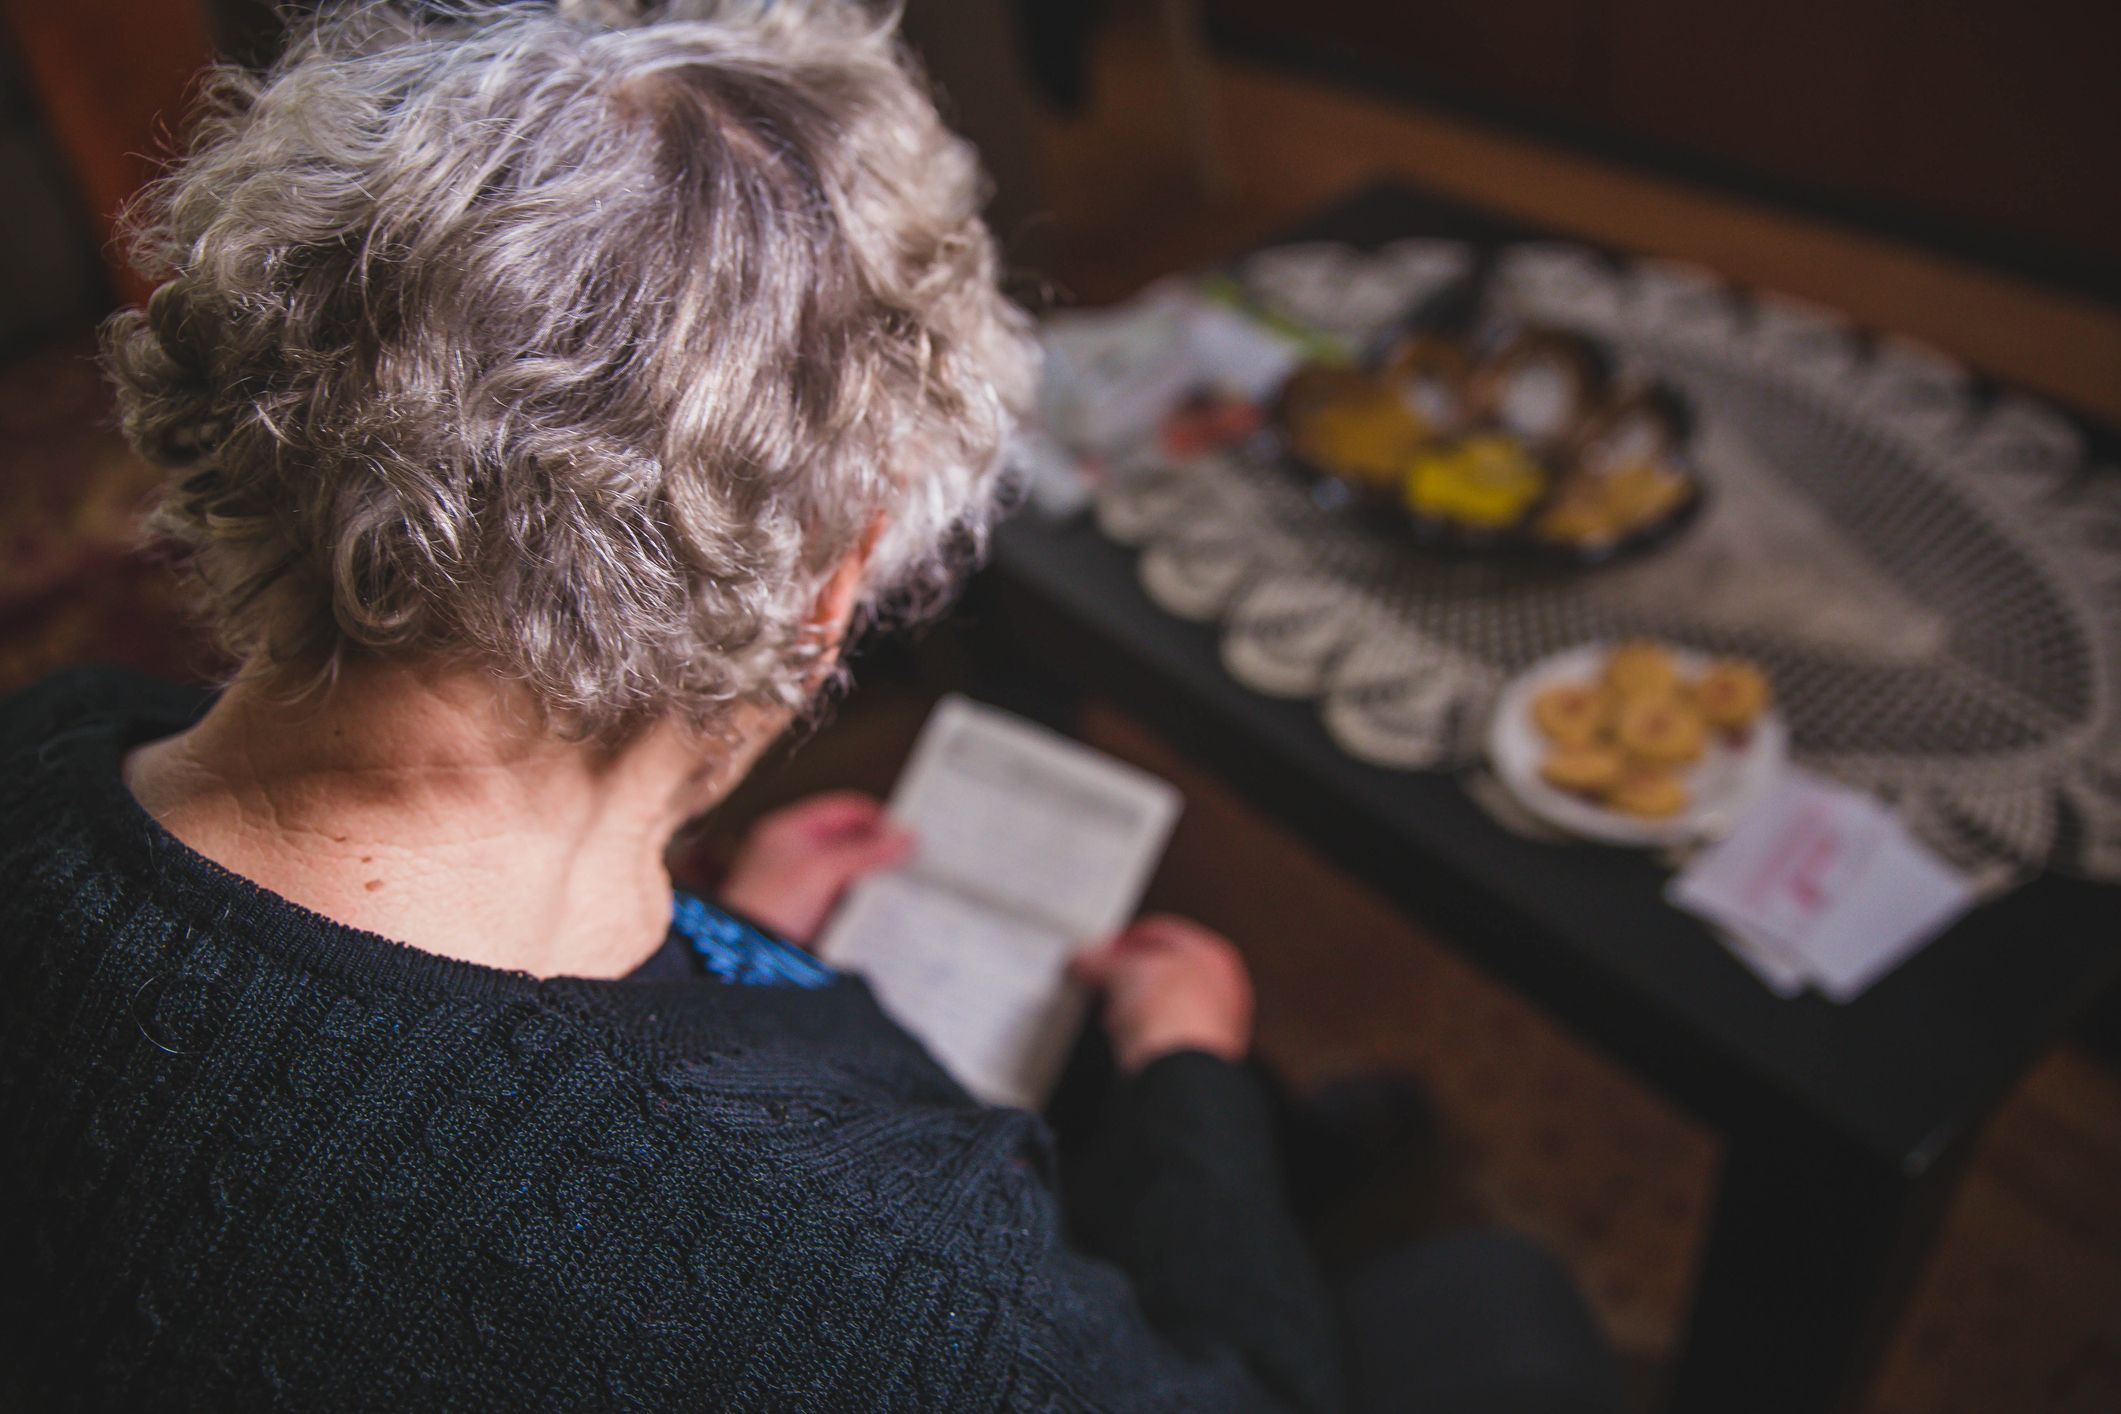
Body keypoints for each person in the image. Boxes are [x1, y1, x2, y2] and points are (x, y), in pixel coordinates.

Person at [0, 3, 1621, 1409]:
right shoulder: (885, 1286)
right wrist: (1188, 1073)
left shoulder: (59, 743)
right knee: (1501, 1310)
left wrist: (728, 948)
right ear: (826, 591)